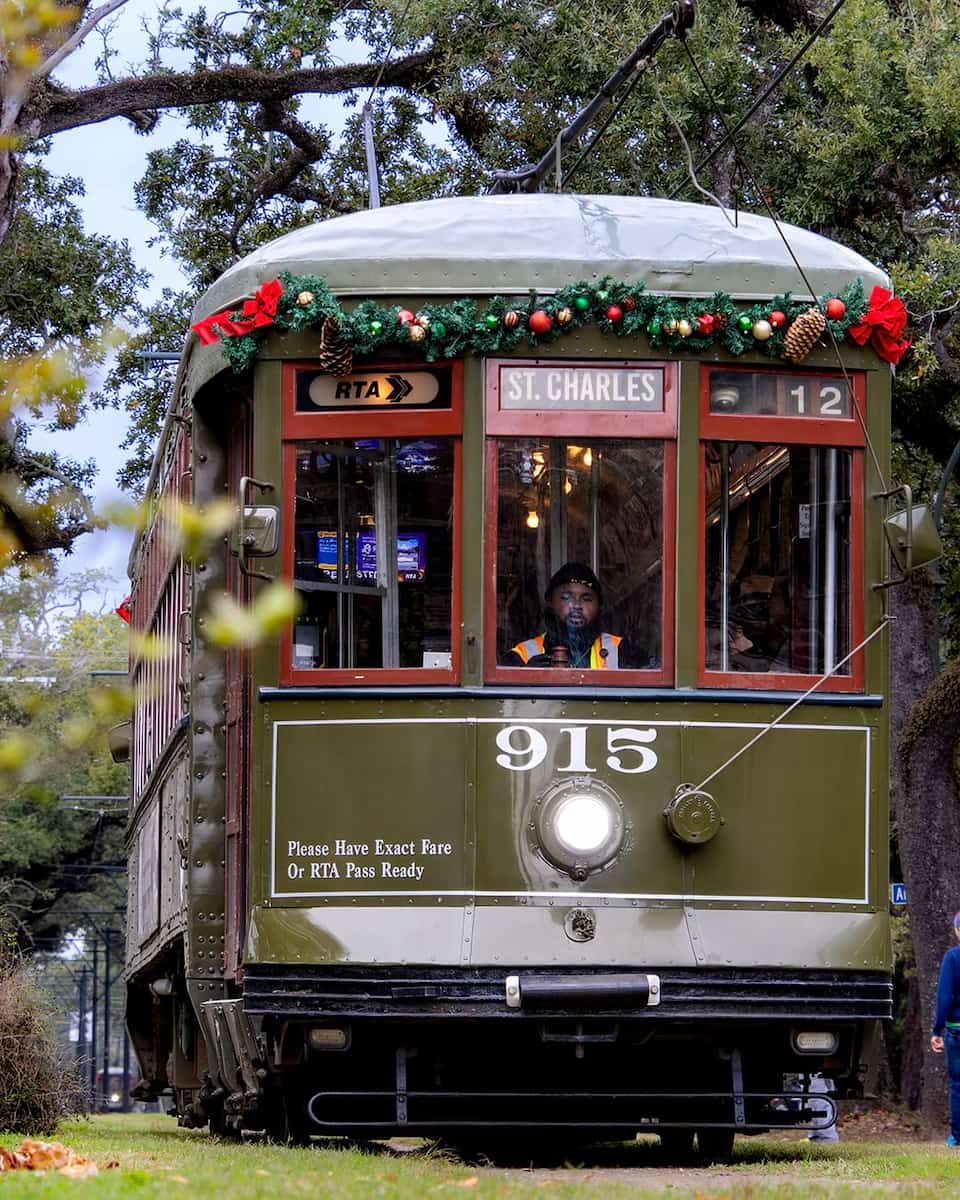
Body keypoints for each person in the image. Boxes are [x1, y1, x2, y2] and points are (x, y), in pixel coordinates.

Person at [507, 562, 624, 669]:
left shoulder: (620, 649)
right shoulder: (524, 654)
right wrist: (527, 675)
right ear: (550, 602)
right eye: (566, 597)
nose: (576, 605)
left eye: (586, 599)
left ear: (599, 606)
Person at [931, 910, 960, 1147]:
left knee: (958, 1084)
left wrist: (937, 1030)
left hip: (957, 1031)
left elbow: (944, 997)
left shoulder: (953, 958)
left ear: (957, 931)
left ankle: (958, 1137)